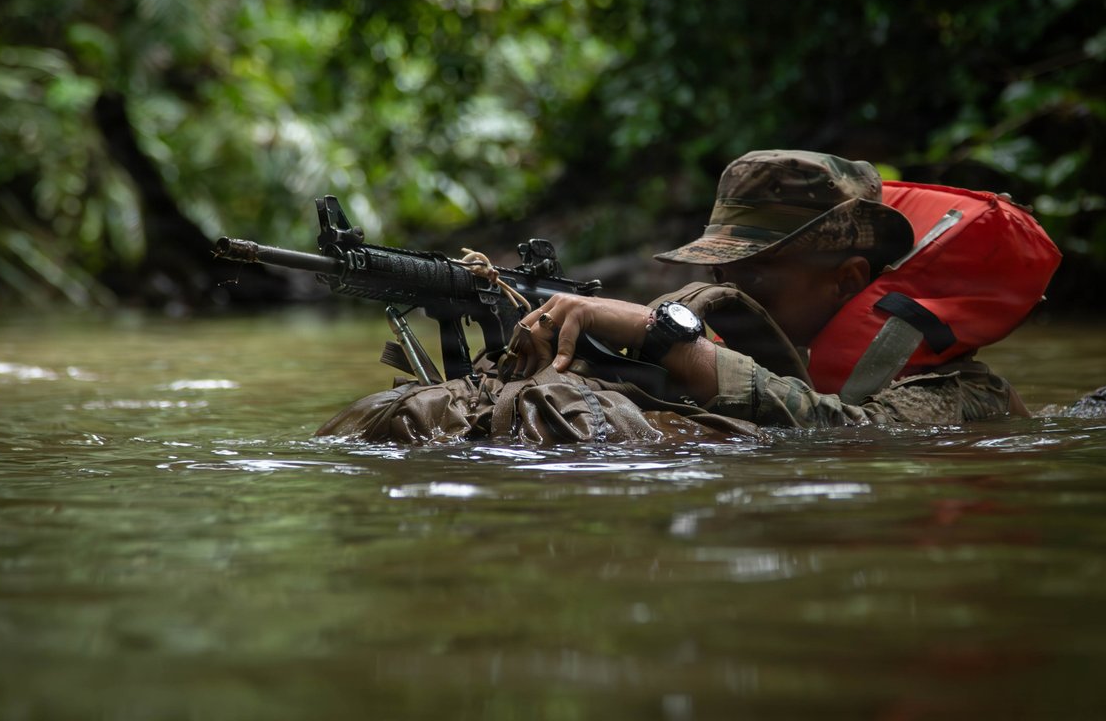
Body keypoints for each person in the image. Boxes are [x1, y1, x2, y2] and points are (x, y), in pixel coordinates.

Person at [317, 150, 1023, 442]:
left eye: (756, 271)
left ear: (847, 279)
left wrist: (664, 341)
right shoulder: (734, 329)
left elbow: (840, 433)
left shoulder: (958, 392)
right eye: (721, 268)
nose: (727, 287)